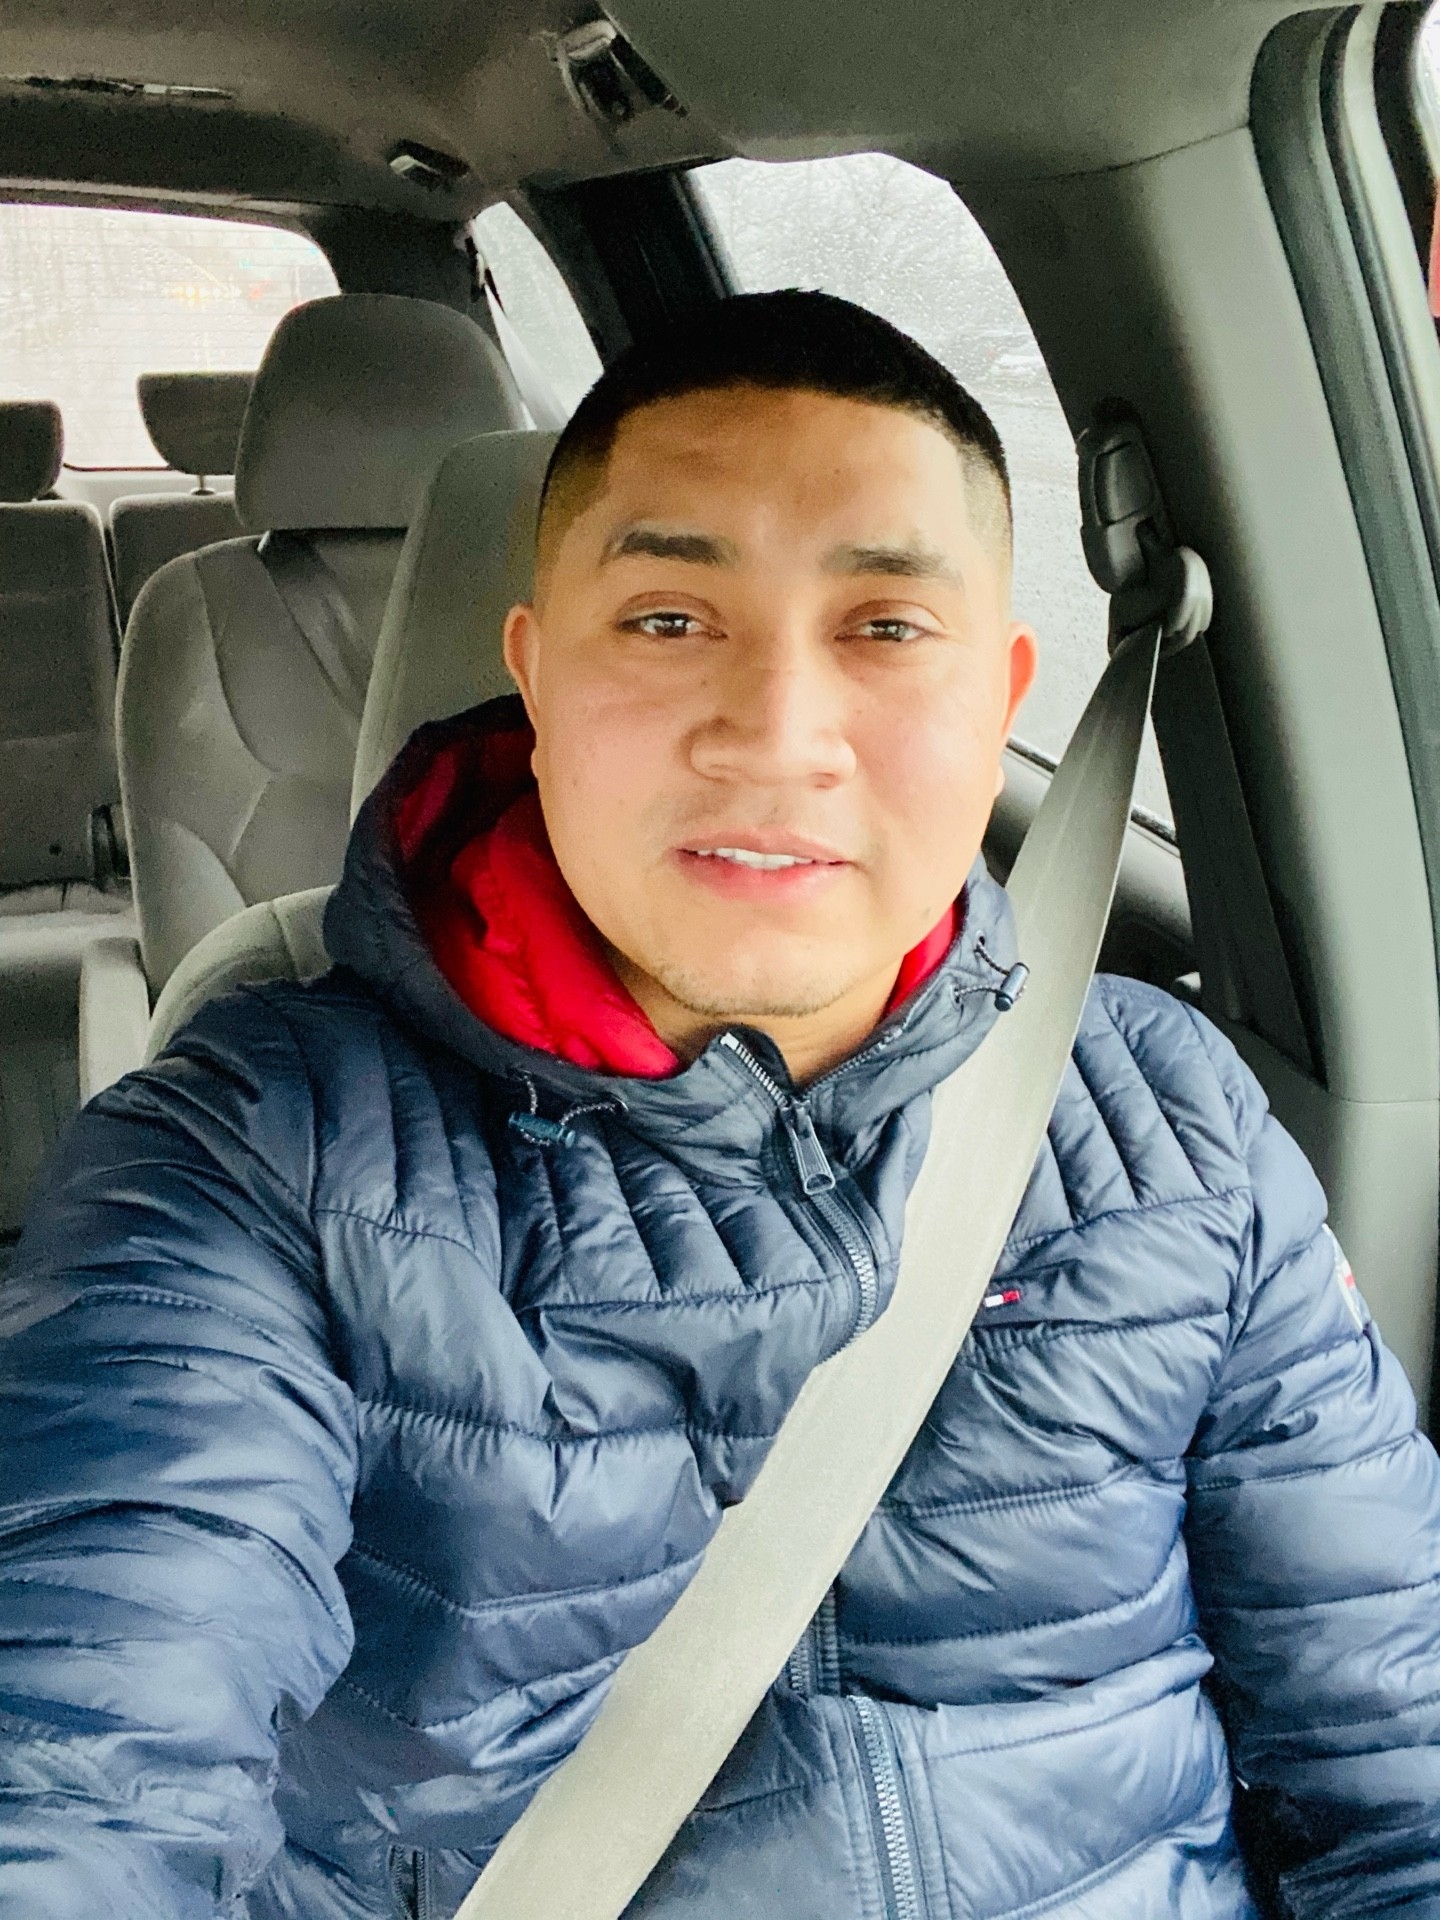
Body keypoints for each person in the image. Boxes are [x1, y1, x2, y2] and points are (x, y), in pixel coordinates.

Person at [1, 290, 1437, 1920]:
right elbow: (83, 1762)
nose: (778, 735)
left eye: (886, 628)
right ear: (533, 675)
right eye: (671, 619)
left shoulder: (1163, 1116)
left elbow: (1394, 1752)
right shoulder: (253, 1155)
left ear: (1001, 697)